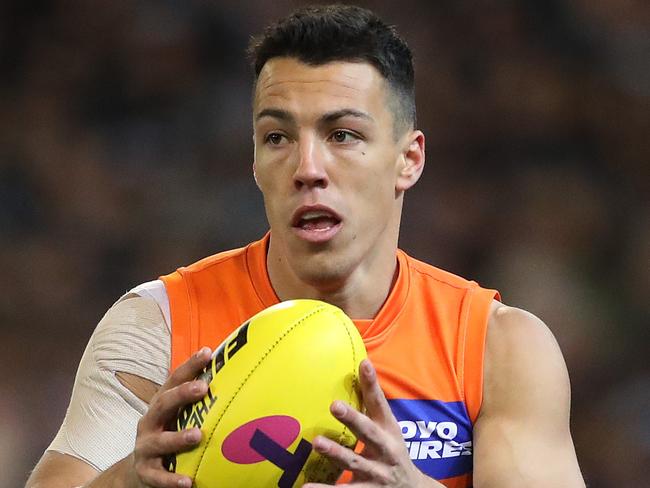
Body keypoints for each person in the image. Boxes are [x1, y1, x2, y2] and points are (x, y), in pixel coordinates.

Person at [27, 5, 585, 488]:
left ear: (408, 160)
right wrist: (128, 479)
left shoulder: (497, 350)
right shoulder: (159, 326)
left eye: (342, 135)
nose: (307, 168)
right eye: (278, 137)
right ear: (253, 161)